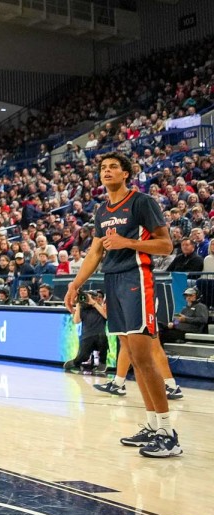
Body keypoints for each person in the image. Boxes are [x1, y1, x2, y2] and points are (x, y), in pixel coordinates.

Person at [65, 153, 181, 459]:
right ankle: (153, 423)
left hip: (136, 279)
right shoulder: (101, 210)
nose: (106, 171)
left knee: (143, 358)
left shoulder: (141, 202)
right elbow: (94, 253)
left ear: (126, 173)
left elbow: (166, 245)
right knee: (133, 356)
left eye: (113, 166)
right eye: (103, 167)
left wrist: (128, 243)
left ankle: (168, 433)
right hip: (113, 283)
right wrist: (75, 284)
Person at [64, 290, 108, 374]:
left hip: (100, 335)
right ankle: (75, 362)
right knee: (83, 356)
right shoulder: (83, 309)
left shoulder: (101, 308)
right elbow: (76, 321)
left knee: (102, 341)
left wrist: (94, 303)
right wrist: (78, 304)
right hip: (87, 336)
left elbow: (106, 316)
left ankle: (102, 363)